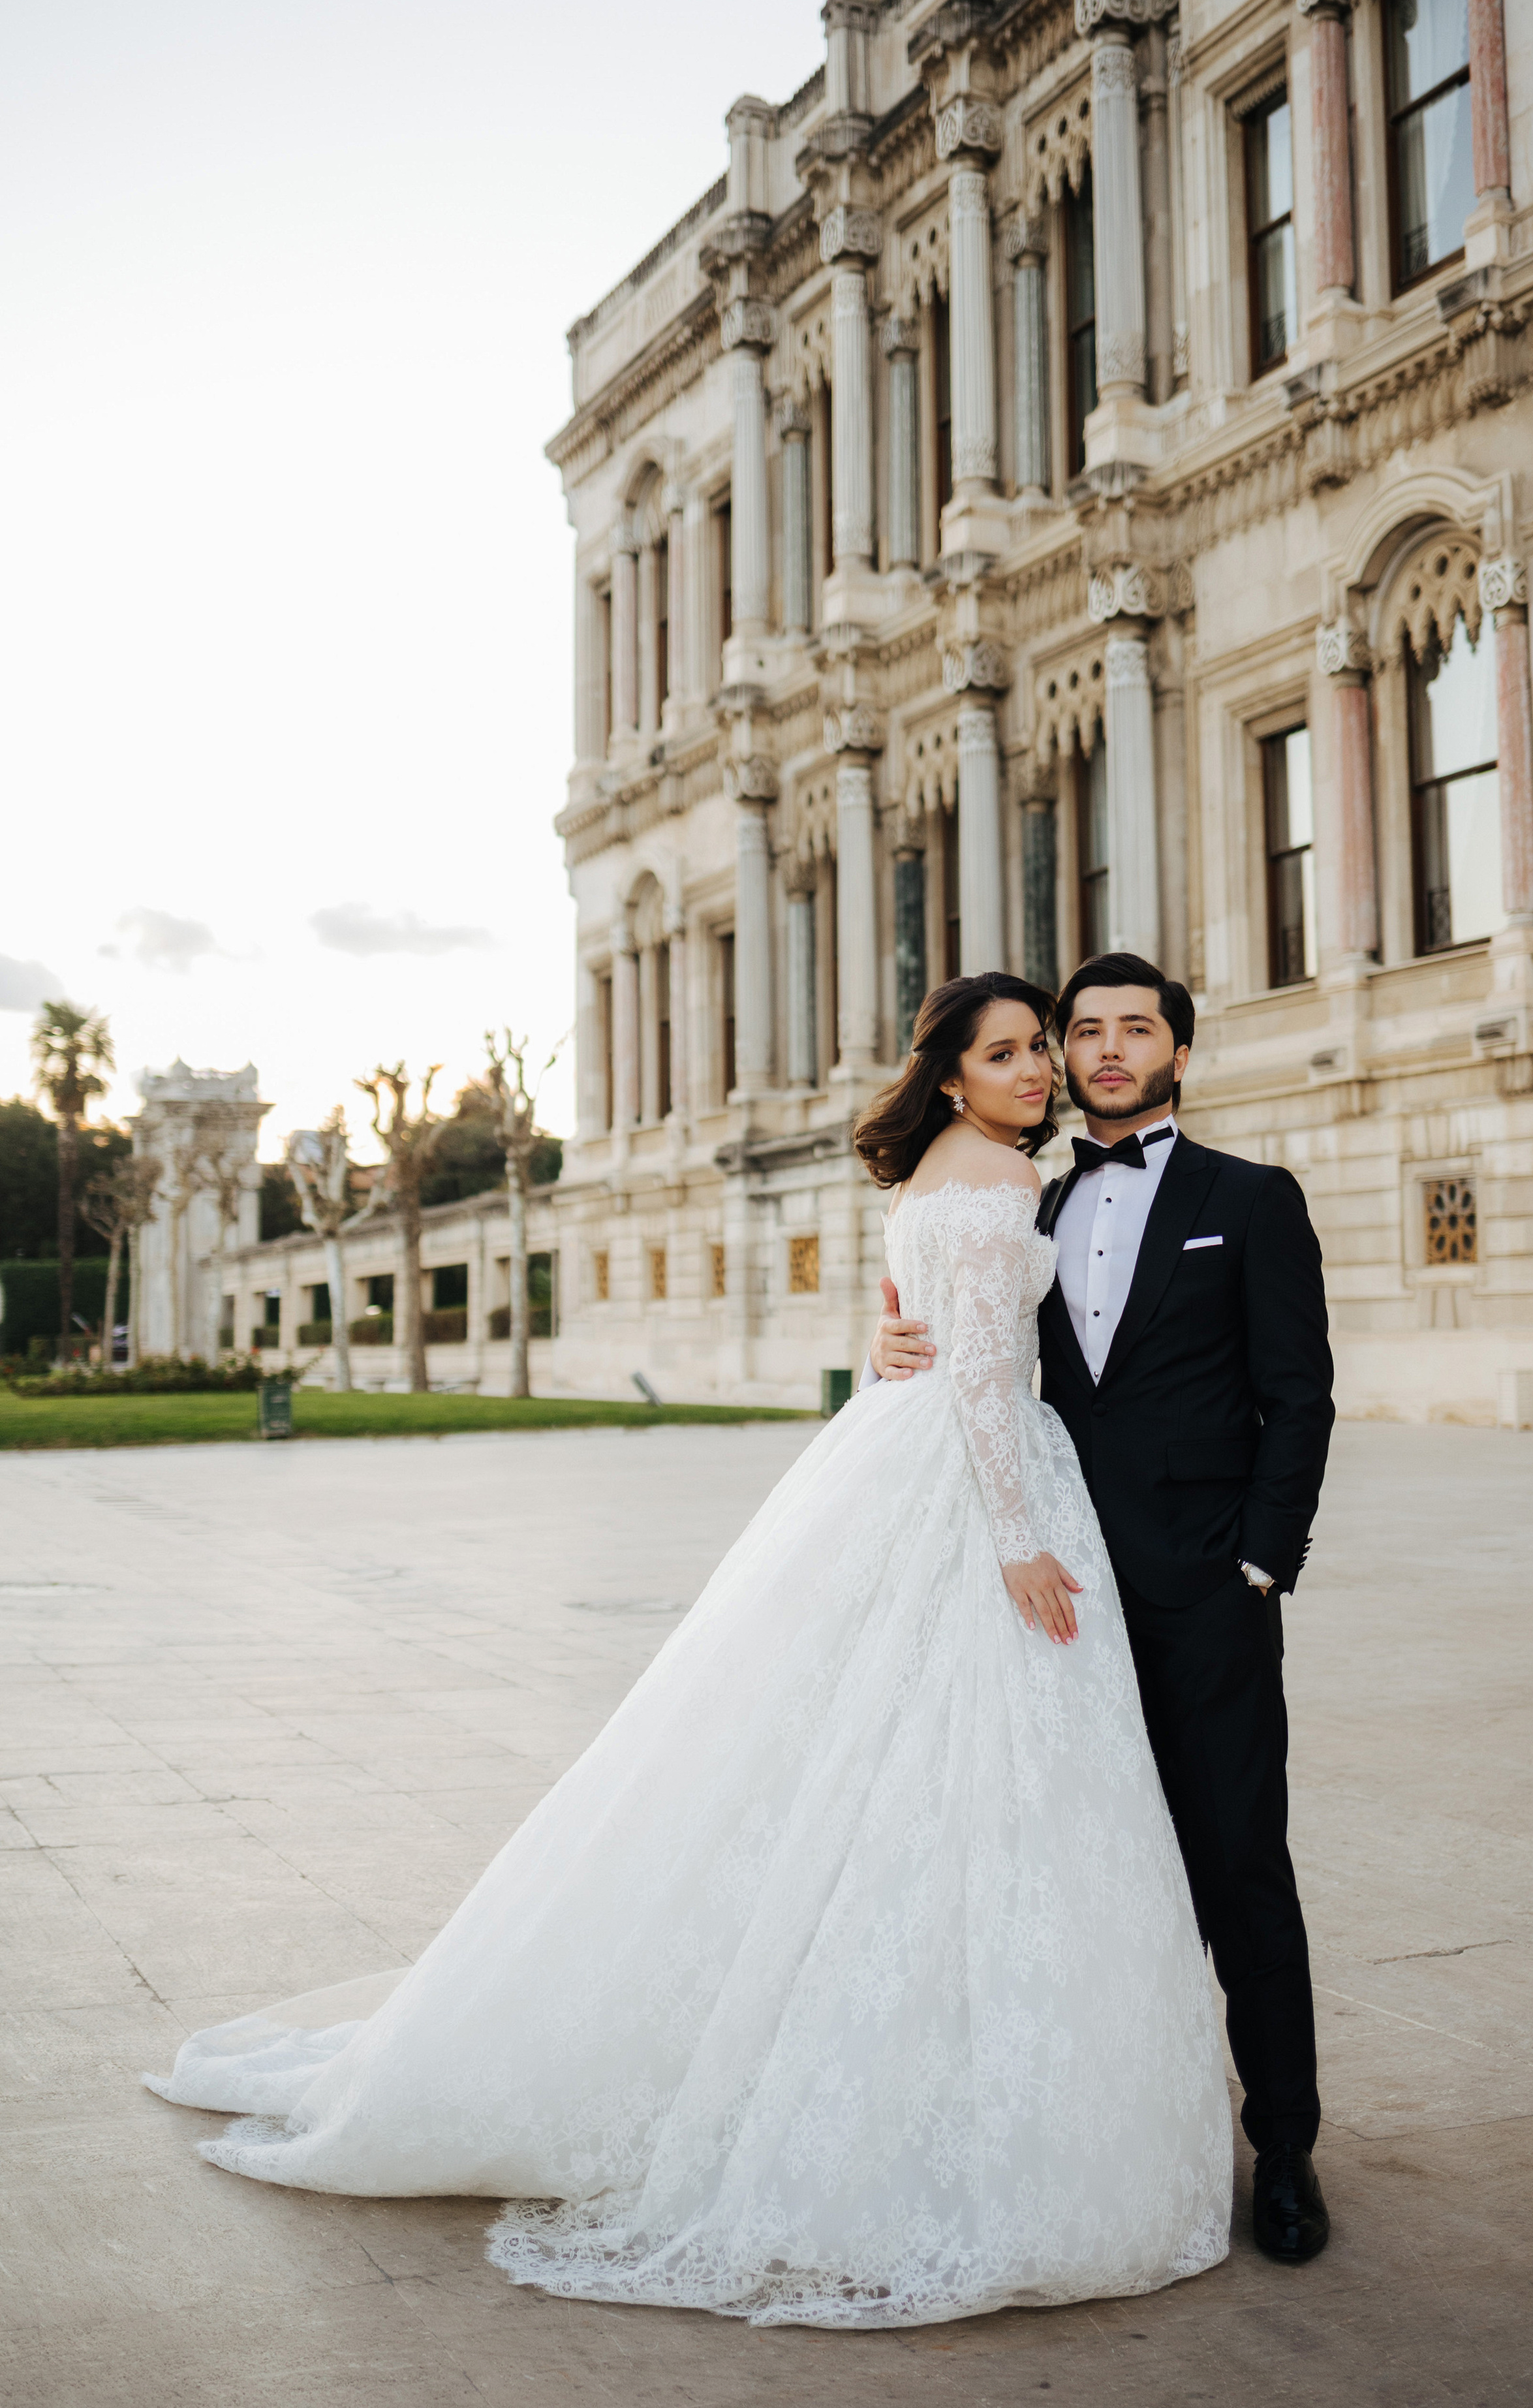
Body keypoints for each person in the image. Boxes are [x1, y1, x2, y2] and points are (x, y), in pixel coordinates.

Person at [146, 972, 1232, 2330]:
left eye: (1035, 1051)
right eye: (1002, 1053)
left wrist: (898, 1352)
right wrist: (1014, 1537)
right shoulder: (1005, 1182)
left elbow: (924, 1334)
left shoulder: (955, 1175)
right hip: (977, 1482)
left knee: (866, 1758)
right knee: (964, 1773)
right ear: (948, 1075)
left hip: (916, 1463)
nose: (1034, 1071)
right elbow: (972, 1373)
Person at [868, 952, 1335, 2265]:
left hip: (1199, 1589)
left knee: (1239, 1864)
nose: (1109, 1049)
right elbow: (970, 1351)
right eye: (1085, 1032)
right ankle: (1111, 2128)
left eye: (1139, 1029)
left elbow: (1297, 1394)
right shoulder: (1019, 1196)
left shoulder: (1248, 1200)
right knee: (1089, 1872)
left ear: (1179, 1054)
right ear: (1060, 1057)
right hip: (1053, 1600)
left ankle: (1285, 2149)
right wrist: (882, 1343)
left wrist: (1257, 1562)